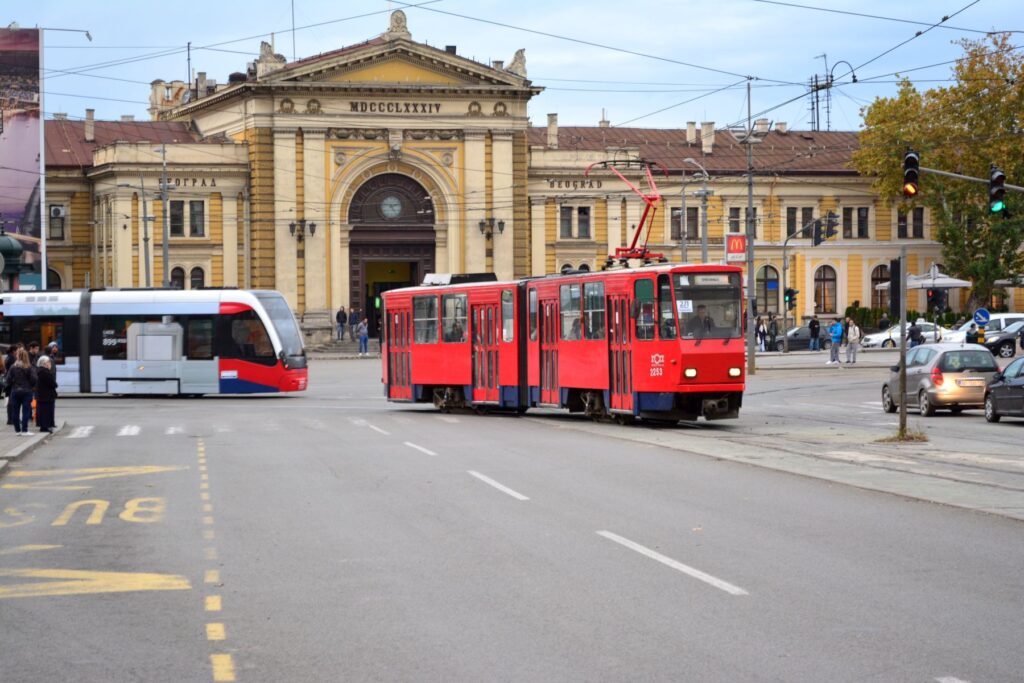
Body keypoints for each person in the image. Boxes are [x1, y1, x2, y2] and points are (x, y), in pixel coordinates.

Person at [5, 348, 37, 435]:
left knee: (15, 411)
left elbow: (7, 380)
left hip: (15, 391)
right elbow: (34, 379)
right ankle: (25, 430)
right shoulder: (29, 367)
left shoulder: (13, 367)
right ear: (26, 356)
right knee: (26, 411)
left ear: (17, 356)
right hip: (27, 391)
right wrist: (31, 385)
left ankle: (17, 430)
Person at [35, 356, 57, 433]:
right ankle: (45, 426)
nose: (50, 364)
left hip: (42, 395)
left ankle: (43, 426)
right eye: (49, 362)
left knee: (42, 411)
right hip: (46, 396)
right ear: (45, 363)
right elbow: (53, 384)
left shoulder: (40, 371)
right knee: (46, 411)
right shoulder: (45, 372)